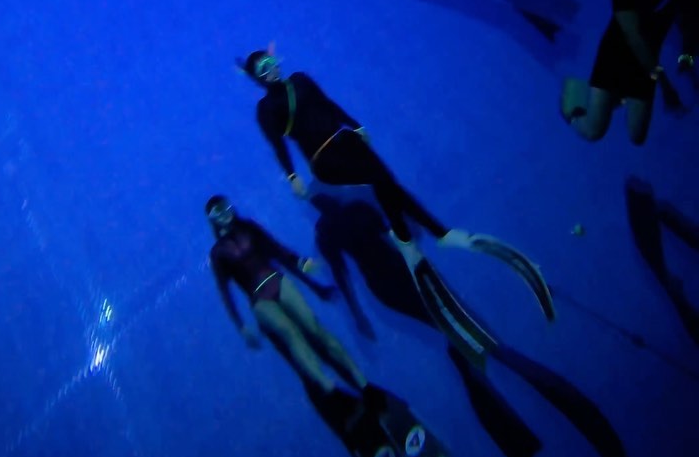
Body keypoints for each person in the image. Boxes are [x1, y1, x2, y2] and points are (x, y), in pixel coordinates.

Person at [236, 48, 555, 322]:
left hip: (346, 140)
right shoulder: (266, 110)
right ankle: (410, 239)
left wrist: (355, 125)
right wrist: (292, 176)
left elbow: (329, 104)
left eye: (270, 62)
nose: (270, 69)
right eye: (262, 69)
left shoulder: (301, 80)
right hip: (324, 159)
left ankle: (440, 233)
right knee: (380, 181)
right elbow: (278, 145)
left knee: (390, 184)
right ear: (257, 79)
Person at [206, 194, 368, 393]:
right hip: (259, 299)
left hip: (278, 282)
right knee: (291, 335)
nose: (225, 213)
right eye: (218, 211)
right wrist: (240, 325)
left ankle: (356, 374)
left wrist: (301, 263)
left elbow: (276, 248)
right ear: (212, 218)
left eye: (225, 207)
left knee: (314, 328)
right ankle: (328, 386)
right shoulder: (218, 253)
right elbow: (224, 291)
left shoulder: (248, 227)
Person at [562, 0, 699, 145]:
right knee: (594, 130)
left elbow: (692, 24)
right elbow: (633, 36)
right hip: (615, 54)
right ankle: (572, 108)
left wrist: (687, 58)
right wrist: (664, 84)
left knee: (637, 136)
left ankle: (611, 98)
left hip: (648, 61)